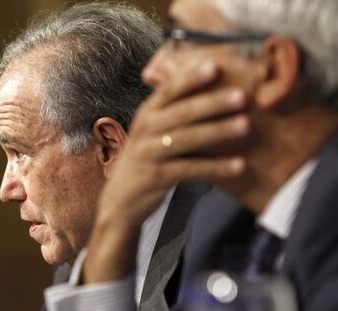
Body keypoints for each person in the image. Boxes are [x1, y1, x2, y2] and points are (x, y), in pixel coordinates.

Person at [45, 0, 338, 310]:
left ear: (274, 69)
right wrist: (116, 218)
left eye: (180, 39)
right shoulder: (221, 222)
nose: (152, 72)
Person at [0, 3, 213, 310]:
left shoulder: (219, 244)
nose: (7, 190)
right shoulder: (77, 266)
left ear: (108, 146)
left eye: (21, 153)